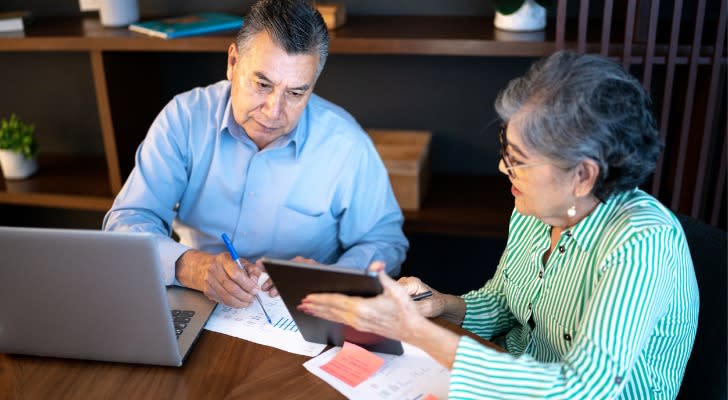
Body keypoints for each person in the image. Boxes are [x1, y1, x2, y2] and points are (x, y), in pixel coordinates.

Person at [300, 51, 699, 399]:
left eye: (518, 159)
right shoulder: (535, 209)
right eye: (505, 151)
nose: (501, 168)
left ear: (583, 175)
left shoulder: (643, 243)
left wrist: (416, 332)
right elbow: (504, 305)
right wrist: (440, 306)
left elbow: (581, 389)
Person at [103, 0, 408, 309]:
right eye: (262, 84)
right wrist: (190, 266)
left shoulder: (346, 143)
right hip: (195, 298)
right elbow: (127, 220)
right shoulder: (184, 118)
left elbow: (385, 241)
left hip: (302, 313)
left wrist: (333, 276)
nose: (274, 112)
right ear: (233, 63)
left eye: (296, 93)